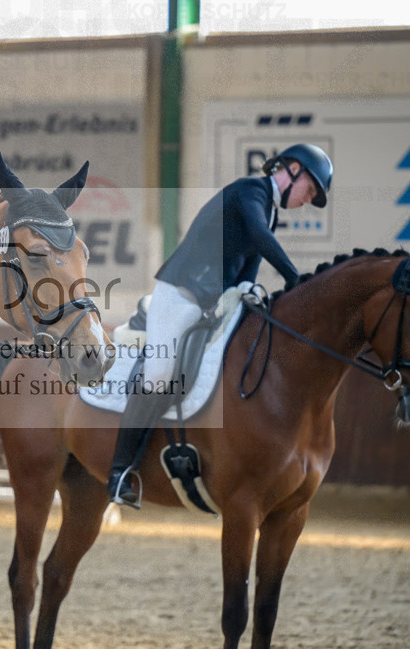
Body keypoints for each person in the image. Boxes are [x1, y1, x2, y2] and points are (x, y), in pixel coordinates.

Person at [108, 143, 334, 507]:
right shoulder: (250, 191)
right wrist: (297, 279)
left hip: (211, 301)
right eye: (311, 190)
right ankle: (119, 472)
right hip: (180, 292)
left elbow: (248, 269)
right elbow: (261, 238)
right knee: (160, 374)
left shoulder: (269, 212)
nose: (308, 199)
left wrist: (250, 293)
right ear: (292, 170)